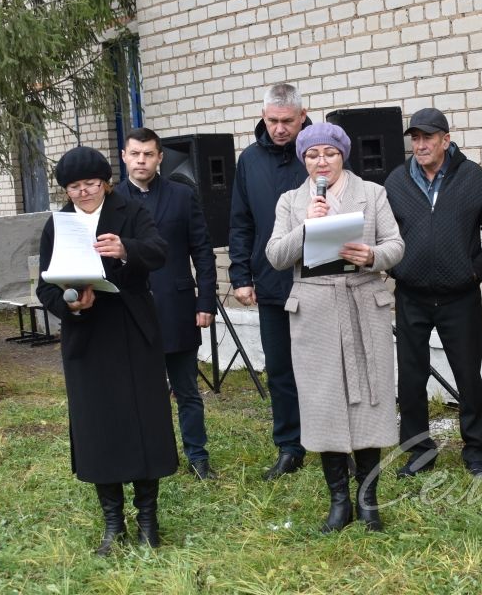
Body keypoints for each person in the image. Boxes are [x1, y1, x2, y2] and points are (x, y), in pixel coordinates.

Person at [36, 146, 177, 554]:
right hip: (88, 334)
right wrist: (68, 303)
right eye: (74, 187)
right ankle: (113, 522)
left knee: (143, 422)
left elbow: (160, 251)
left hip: (132, 330)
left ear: (106, 182)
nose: (82, 193)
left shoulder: (130, 211)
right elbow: (46, 284)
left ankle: (148, 518)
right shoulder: (58, 224)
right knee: (98, 427)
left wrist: (126, 248)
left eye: (90, 185)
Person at [266, 122, 404, 532]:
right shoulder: (291, 201)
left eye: (328, 153)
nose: (320, 162)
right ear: (303, 160)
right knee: (324, 403)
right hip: (316, 309)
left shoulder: (372, 193)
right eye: (311, 155)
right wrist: (305, 226)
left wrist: (372, 255)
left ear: (343, 155)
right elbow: (275, 256)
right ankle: (338, 502)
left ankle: (369, 502)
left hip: (364, 301)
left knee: (370, 400)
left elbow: (396, 245)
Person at [384, 108, 482, 479]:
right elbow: (385, 236)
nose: (420, 145)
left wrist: (473, 273)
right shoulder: (396, 182)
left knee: (468, 376)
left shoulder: (474, 178)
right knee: (411, 379)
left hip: (459, 298)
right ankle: (418, 450)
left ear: (446, 140)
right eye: (414, 138)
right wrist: (396, 269)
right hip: (411, 296)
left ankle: (476, 451)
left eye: (427, 138)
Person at [115, 127, 218, 481]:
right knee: (142, 392)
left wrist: (206, 300)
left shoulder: (181, 195)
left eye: (148, 154)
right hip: (130, 310)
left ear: (160, 158)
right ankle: (152, 457)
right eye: (135, 154)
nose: (141, 160)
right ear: (124, 157)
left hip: (176, 307)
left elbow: (202, 250)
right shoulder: (111, 202)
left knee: (187, 389)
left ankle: (197, 456)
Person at [229, 83, 312, 480]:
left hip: (317, 281)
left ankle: (332, 441)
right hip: (270, 281)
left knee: (321, 367)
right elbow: (241, 221)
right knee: (279, 368)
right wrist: (240, 275)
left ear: (302, 116)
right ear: (263, 117)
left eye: (287, 121)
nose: (280, 129)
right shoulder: (249, 161)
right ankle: (289, 446)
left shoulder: (319, 153)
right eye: (272, 121)